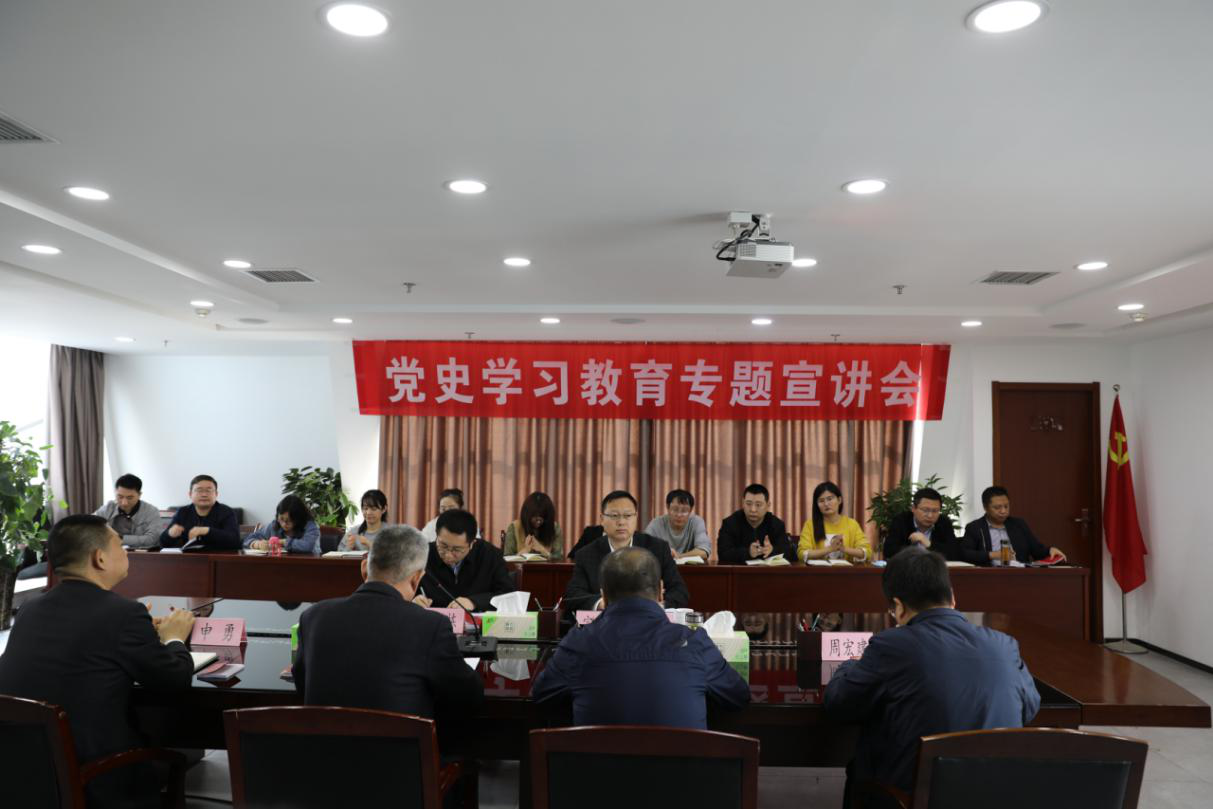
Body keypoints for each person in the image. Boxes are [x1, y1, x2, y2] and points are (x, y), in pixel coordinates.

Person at [0, 515, 196, 809]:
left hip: (22, 774)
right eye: (120, 545)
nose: (126, 552)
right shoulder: (124, 613)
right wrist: (175, 638)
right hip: (92, 778)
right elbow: (175, 679)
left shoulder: (31, 608)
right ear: (100, 558)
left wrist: (140, 633)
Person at [824, 546, 1040, 804]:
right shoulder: (1004, 645)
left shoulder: (893, 646)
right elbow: (1029, 708)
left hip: (913, 800)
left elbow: (839, 703)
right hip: (997, 797)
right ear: (952, 597)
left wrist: (848, 665)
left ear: (898, 607)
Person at [533, 547, 749, 727]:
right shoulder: (694, 641)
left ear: (603, 596)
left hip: (597, 766)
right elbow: (738, 696)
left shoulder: (579, 642)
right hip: (681, 766)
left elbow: (542, 696)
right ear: (661, 591)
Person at [293, 525, 484, 718]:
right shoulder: (431, 626)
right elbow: (468, 695)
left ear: (364, 569)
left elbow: (302, 685)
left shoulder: (313, 617)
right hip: (400, 738)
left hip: (324, 737)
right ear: (416, 578)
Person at [563, 490, 690, 611]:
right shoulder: (586, 554)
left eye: (628, 515)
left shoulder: (658, 549)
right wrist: (601, 603)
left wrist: (656, 606)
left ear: (636, 517)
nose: (621, 522)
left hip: (648, 620)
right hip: (606, 621)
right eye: (614, 516)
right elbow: (573, 595)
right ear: (602, 519)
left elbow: (680, 591)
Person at [413, 508, 513, 612]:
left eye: (457, 549)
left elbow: (509, 595)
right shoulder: (422, 555)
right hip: (433, 620)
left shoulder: (490, 555)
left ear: (472, 543)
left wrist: (474, 602)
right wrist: (413, 600)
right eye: (443, 546)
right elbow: (403, 591)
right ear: (437, 535)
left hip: (477, 620)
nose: (448, 555)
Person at [961, 486, 1067, 566]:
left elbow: (1036, 550)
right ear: (985, 507)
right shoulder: (975, 527)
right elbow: (965, 554)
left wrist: (1050, 550)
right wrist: (992, 555)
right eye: (997, 507)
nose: (1003, 511)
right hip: (989, 576)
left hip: (1019, 574)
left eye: (1006, 506)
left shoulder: (1019, 524)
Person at [716, 483, 795, 565]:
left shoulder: (776, 524)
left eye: (758, 505)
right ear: (743, 503)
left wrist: (772, 550)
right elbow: (723, 554)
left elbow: (789, 553)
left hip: (768, 572)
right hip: (739, 571)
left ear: (768, 505)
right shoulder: (730, 523)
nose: (753, 509)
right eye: (748, 504)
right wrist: (748, 552)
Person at [159, 474, 241, 550]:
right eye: (199, 490)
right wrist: (169, 534)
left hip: (218, 558)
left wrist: (207, 531)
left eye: (209, 490)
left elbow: (235, 541)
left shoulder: (226, 512)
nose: (204, 494)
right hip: (189, 558)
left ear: (216, 494)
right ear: (190, 494)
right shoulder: (183, 512)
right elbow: (162, 543)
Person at [798, 481, 872, 563]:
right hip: (819, 570)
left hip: (846, 570)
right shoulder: (810, 525)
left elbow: (867, 552)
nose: (826, 504)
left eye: (830, 499)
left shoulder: (851, 524)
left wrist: (843, 549)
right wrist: (830, 549)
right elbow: (802, 554)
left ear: (839, 500)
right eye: (821, 501)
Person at [881, 487, 960, 561]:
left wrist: (929, 544)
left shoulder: (944, 523)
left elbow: (953, 553)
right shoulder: (901, 521)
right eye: (925, 510)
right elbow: (889, 551)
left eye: (935, 511)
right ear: (913, 508)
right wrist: (914, 549)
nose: (930, 515)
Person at [93, 473, 161, 549]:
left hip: (142, 554)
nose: (124, 503)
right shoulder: (109, 508)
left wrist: (119, 538)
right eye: (120, 497)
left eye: (130, 498)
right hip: (111, 552)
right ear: (115, 492)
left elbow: (152, 539)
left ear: (139, 495)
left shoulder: (151, 511)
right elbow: (90, 527)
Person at [644, 489, 711, 561]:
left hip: (688, 567)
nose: (679, 515)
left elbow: (704, 551)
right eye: (675, 510)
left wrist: (679, 556)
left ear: (690, 510)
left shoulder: (696, 522)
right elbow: (643, 547)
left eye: (684, 511)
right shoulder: (656, 523)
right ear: (668, 507)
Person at [243, 494, 320, 554]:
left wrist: (282, 542)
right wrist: (257, 544)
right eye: (281, 519)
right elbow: (247, 539)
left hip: (308, 565)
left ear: (298, 519)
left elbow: (307, 546)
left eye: (289, 521)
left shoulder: (310, 526)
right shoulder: (274, 525)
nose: (284, 524)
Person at [502, 490, 564, 560]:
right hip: (520, 567)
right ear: (527, 514)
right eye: (535, 517)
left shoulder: (554, 528)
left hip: (546, 567)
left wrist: (542, 550)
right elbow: (507, 558)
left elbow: (558, 558)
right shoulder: (514, 527)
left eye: (543, 517)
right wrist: (525, 550)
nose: (538, 521)